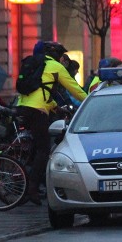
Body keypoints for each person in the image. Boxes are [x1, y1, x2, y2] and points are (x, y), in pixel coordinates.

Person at [16, 41, 88, 205]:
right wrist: (90, 101)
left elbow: (41, 90)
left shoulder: (36, 63)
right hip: (37, 111)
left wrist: (56, 108)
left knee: (33, 148)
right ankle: (31, 189)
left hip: (23, 107)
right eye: (62, 56)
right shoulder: (55, 66)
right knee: (43, 149)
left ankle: (24, 179)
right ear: (57, 55)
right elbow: (74, 89)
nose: (63, 59)